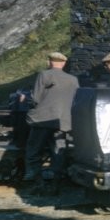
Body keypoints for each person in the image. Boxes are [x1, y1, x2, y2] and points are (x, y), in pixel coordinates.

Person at [22, 52, 79, 193]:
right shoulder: (73, 79)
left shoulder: (44, 75)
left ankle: (39, 183)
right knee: (58, 153)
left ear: (49, 62)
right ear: (64, 63)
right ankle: (56, 185)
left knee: (33, 152)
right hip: (62, 123)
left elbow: (35, 99)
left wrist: (25, 97)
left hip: (42, 121)